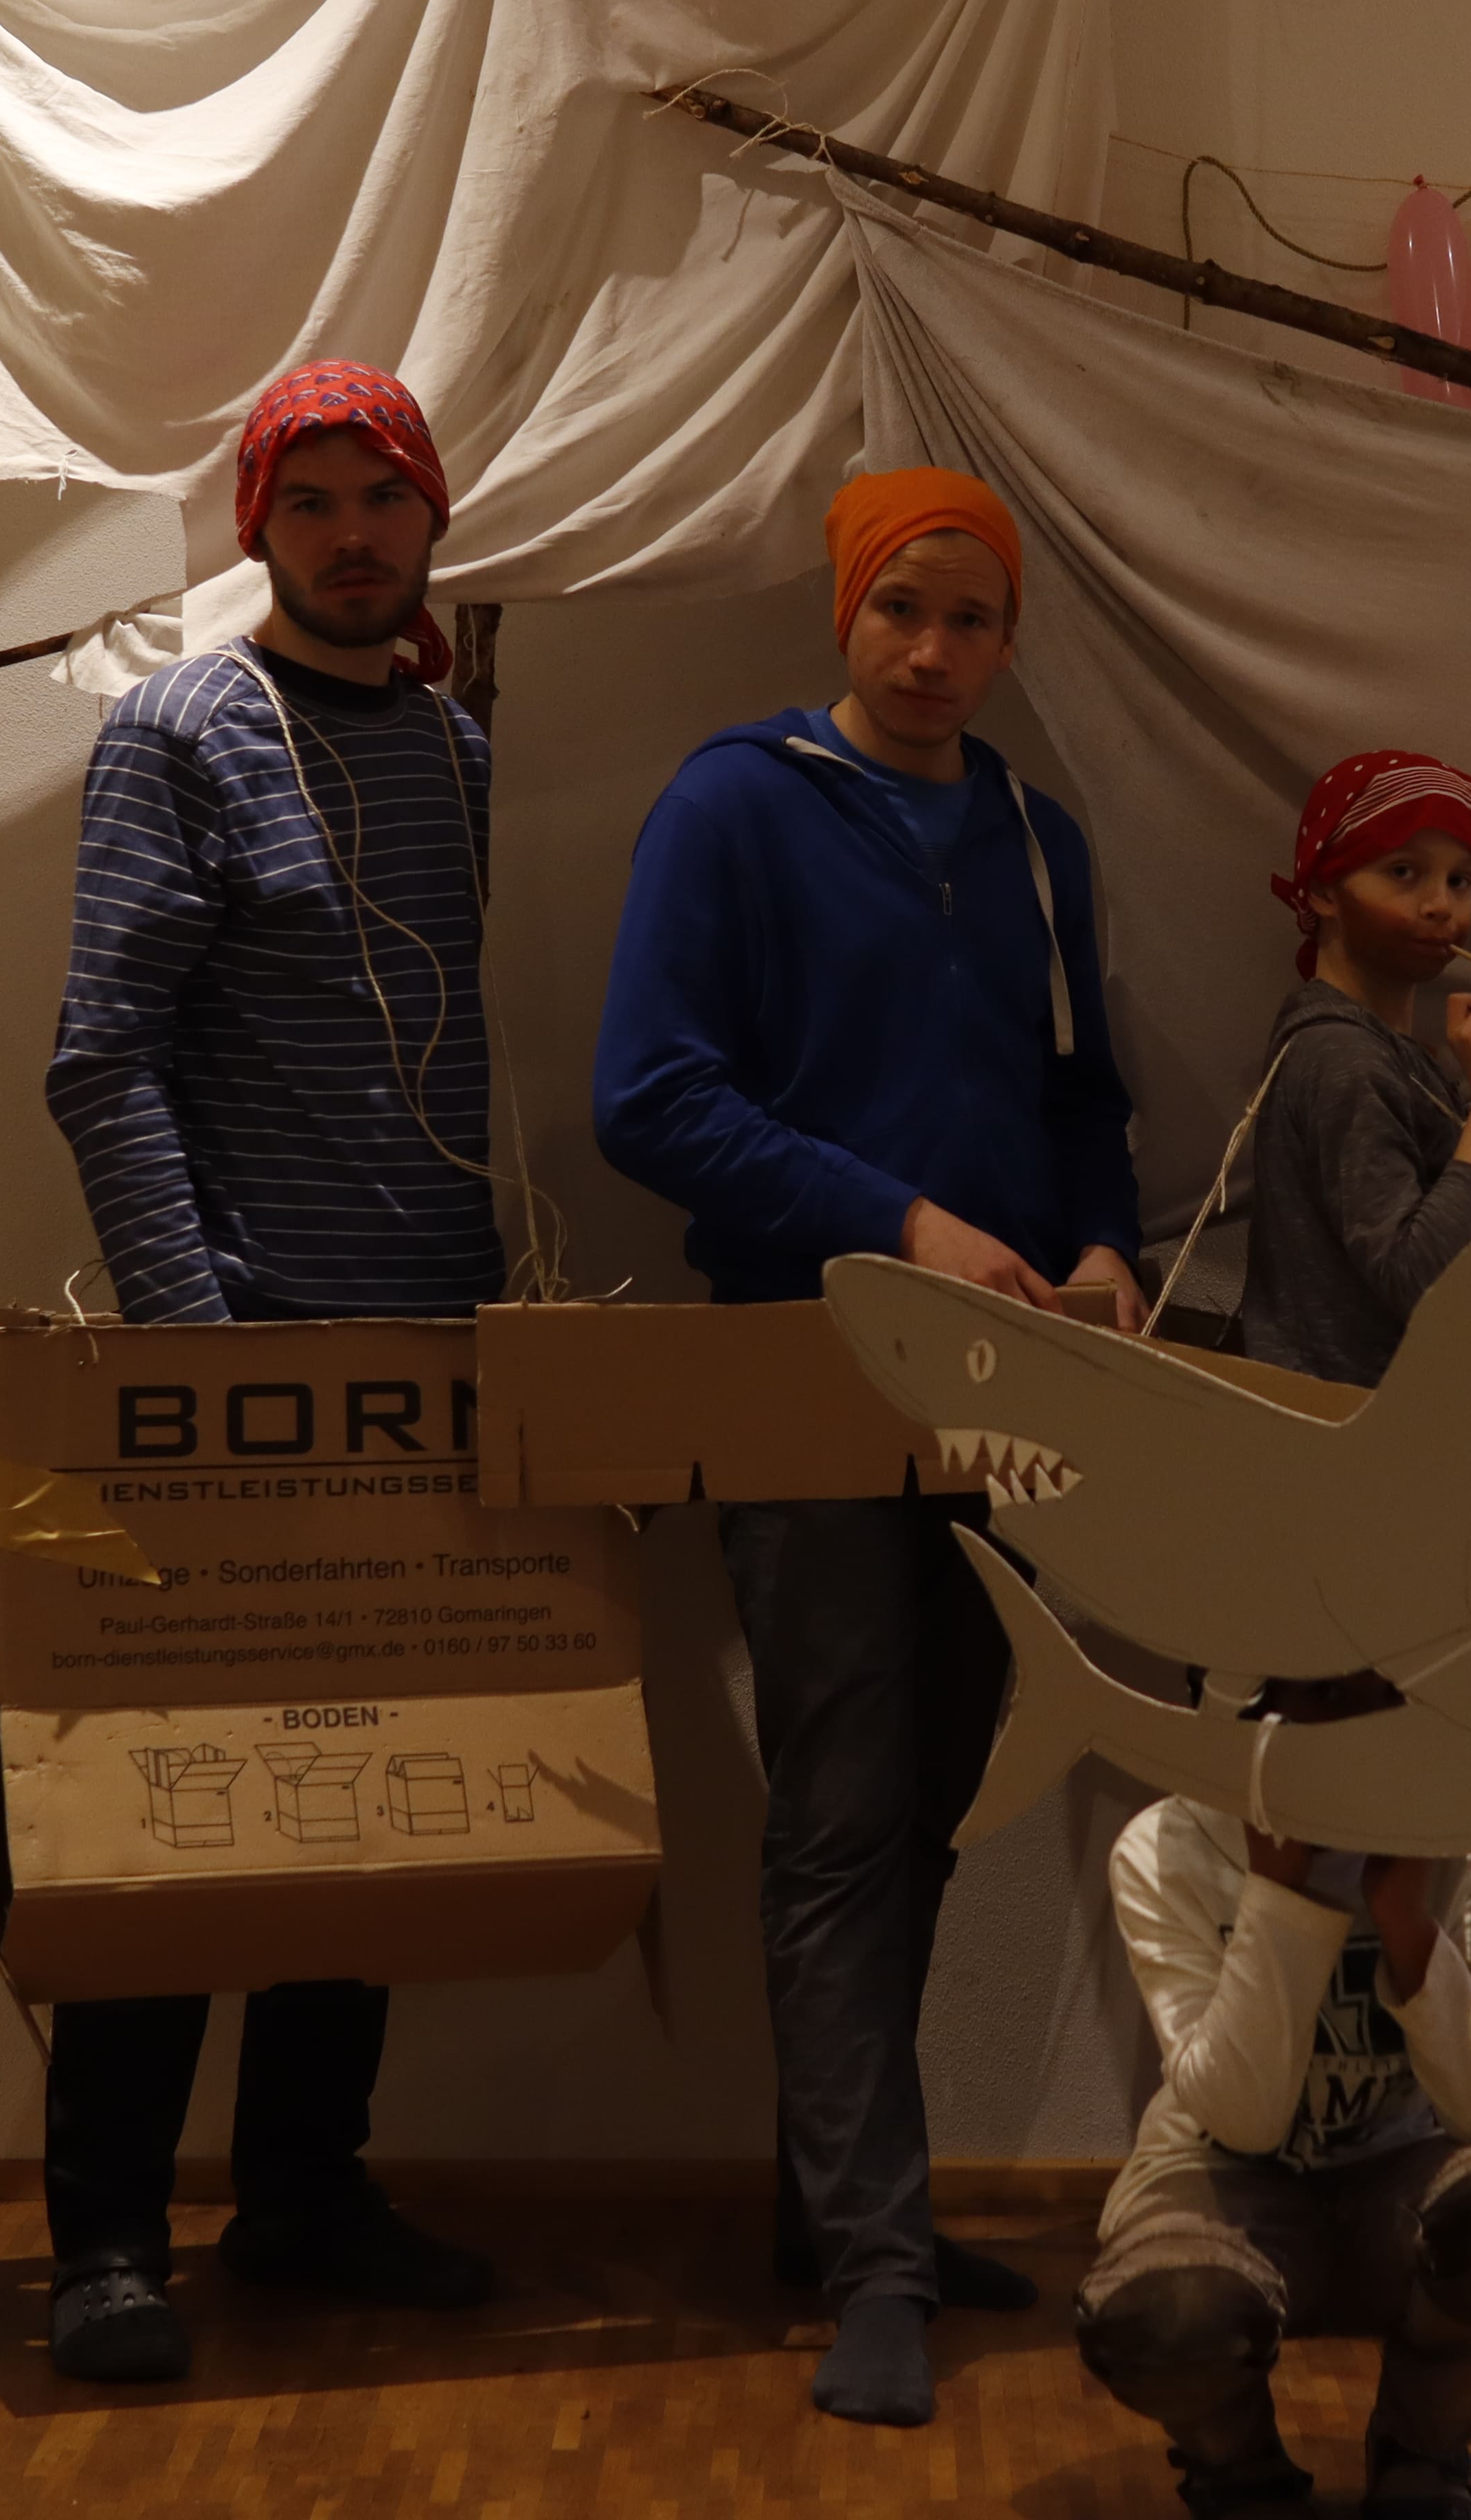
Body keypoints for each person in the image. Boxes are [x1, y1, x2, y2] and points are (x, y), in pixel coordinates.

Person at [590, 467, 1143, 2425]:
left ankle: (835, 2211)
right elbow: (649, 1098)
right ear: (847, 610)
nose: (932, 651)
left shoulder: (1038, 840)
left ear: (1008, 640)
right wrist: (899, 1222)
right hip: (805, 1372)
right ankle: (878, 2266)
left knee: (923, 1804)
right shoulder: (733, 805)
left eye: (970, 619)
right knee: (835, 1815)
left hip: (1010, 1395)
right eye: (903, 609)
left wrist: (1105, 1247)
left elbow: (1085, 1103)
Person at [31, 360, 505, 2382]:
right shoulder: (179, 732)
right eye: (308, 502)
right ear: (257, 530)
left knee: (361, 1807)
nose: (350, 535)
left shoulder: (455, 748)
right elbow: (101, 1057)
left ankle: (305, 2191)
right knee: (168, 1813)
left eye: (379, 497)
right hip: (235, 1361)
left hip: (425, 1360)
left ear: (431, 517)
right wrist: (197, 1355)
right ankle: (105, 2239)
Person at [1070, 1786, 1471, 2519]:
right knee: (1164, 2317)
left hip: (1407, 2172)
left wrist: (1408, 1929)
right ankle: (1240, 2472)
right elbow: (1244, 2122)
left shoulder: (1469, 1839)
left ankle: (1421, 2452)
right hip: (1222, 2172)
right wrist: (1279, 1898)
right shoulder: (1165, 1847)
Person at [1234, 749, 1471, 1404]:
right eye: (1403, 872)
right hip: (1350, 1432)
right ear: (1323, 891)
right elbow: (1422, 1281)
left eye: (1460, 881)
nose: (1440, 906)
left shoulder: (1382, 1052)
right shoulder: (1341, 1058)